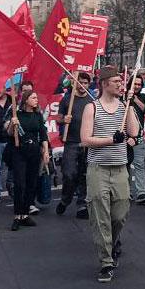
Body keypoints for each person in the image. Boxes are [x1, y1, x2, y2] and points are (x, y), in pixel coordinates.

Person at [82, 66, 140, 282]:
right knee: (100, 216)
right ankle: (106, 261)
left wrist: (131, 106)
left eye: (120, 81)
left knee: (120, 213)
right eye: (116, 81)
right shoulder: (92, 108)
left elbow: (134, 133)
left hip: (120, 168)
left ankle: (111, 241)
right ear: (104, 84)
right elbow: (86, 139)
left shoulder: (124, 106)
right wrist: (110, 140)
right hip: (98, 168)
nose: (120, 84)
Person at [6, 90, 50, 231]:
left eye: (37, 97)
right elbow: (9, 134)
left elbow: (43, 134)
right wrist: (13, 125)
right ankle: (17, 215)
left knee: (32, 183)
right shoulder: (17, 115)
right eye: (33, 97)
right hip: (19, 152)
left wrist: (46, 151)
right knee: (20, 184)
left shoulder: (37, 116)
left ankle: (25, 214)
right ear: (26, 100)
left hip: (34, 152)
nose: (36, 100)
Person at [56, 70, 92, 219]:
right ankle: (65, 199)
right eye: (80, 82)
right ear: (75, 83)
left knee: (85, 175)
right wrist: (65, 120)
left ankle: (82, 204)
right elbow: (58, 118)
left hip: (87, 142)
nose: (82, 85)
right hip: (71, 142)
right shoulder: (67, 100)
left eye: (85, 83)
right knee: (69, 174)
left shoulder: (92, 100)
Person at [128, 74, 145, 205]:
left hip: (138, 137)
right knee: (125, 165)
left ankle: (141, 192)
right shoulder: (123, 96)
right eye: (135, 84)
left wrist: (136, 100)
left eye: (139, 84)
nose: (137, 86)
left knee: (139, 165)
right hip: (125, 138)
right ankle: (126, 192)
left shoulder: (143, 97)